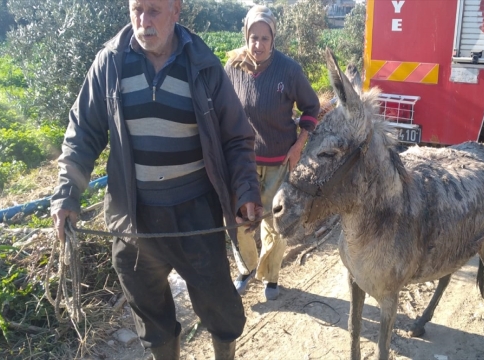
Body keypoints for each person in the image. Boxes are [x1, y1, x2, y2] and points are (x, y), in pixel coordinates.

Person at [50, 0, 262, 359]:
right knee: (152, 319)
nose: (143, 22)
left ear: (176, 10)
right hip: (133, 217)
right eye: (137, 9)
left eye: (154, 11)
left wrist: (245, 189)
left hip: (194, 215)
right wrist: (67, 194)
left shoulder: (203, 65)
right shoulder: (111, 63)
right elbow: (83, 132)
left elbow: (236, 137)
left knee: (219, 305)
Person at [224, 6, 320, 301]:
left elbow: (311, 107)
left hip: (279, 160)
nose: (258, 44)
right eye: (253, 37)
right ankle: (247, 269)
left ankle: (271, 277)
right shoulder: (234, 68)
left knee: (273, 223)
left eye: (265, 38)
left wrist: (298, 144)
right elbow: (222, 109)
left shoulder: (289, 70)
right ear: (246, 36)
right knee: (240, 220)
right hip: (243, 162)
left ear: (273, 38)